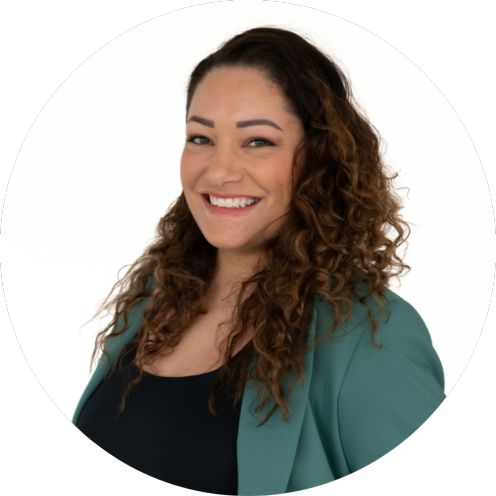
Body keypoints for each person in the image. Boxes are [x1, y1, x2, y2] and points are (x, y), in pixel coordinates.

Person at [72, 26, 445, 496]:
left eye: (258, 142)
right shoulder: (155, 299)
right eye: (200, 138)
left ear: (318, 159)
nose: (219, 171)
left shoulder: (369, 337)